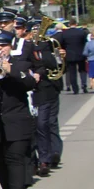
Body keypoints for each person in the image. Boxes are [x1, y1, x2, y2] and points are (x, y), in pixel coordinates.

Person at [0, 32, 38, 189]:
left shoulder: (20, 65)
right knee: (0, 160)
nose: (0, 49)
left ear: (10, 47)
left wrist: (10, 71)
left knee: (15, 158)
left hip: (16, 120)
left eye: (3, 46)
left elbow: (31, 83)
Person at [28, 19, 62, 176]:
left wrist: (59, 56)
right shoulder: (26, 47)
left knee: (49, 123)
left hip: (50, 89)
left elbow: (59, 65)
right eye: (33, 30)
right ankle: (41, 158)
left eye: (39, 29)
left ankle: (53, 154)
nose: (36, 33)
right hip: (33, 90)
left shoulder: (50, 45)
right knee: (38, 125)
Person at [58, 22, 90, 94]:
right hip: (80, 54)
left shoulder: (65, 33)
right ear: (76, 24)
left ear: (69, 25)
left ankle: (75, 88)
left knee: (72, 72)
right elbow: (85, 43)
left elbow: (61, 44)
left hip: (69, 55)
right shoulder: (81, 32)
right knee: (82, 70)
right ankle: (84, 85)